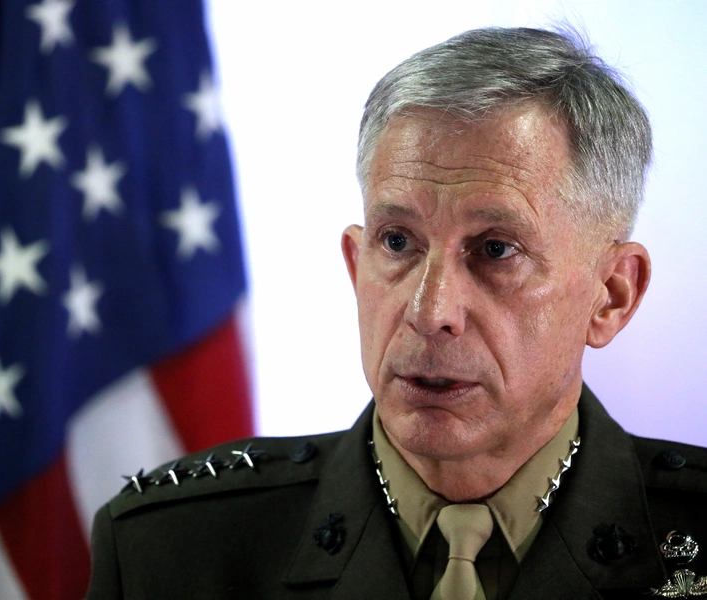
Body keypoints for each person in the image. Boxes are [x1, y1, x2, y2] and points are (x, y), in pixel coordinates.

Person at [85, 26, 707, 600]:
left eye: (495, 250)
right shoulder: (164, 553)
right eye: (398, 242)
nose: (430, 311)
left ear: (613, 295)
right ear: (357, 268)